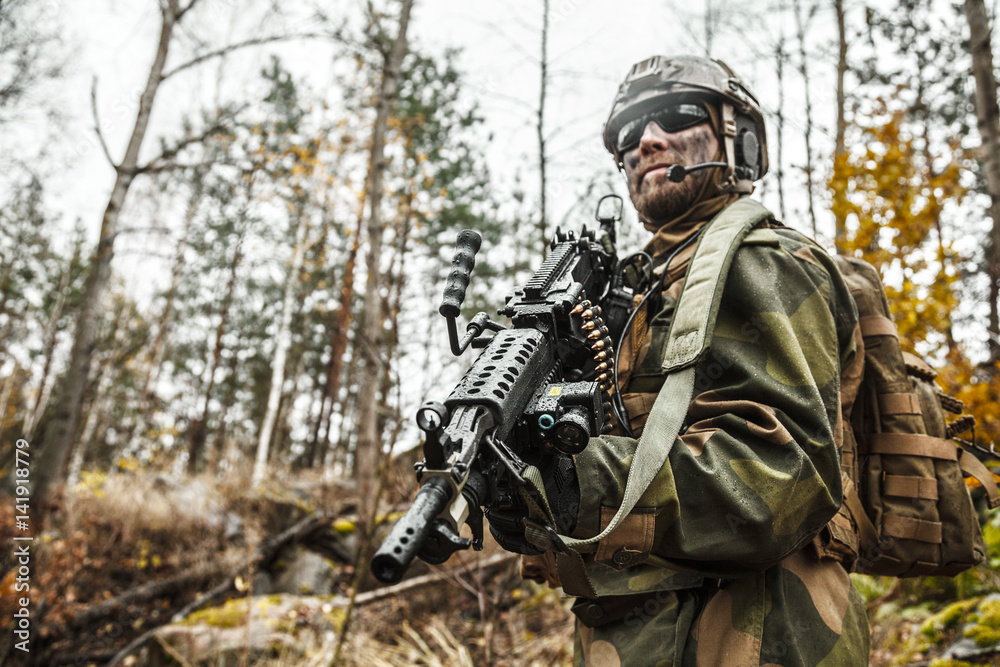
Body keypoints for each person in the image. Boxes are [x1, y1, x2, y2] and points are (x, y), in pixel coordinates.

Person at [485, 55, 871, 666]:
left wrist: (570, 479)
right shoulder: (639, 291)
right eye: (629, 136)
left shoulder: (761, 260)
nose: (647, 141)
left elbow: (780, 476)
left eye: (675, 116)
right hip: (637, 637)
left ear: (737, 137)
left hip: (755, 636)